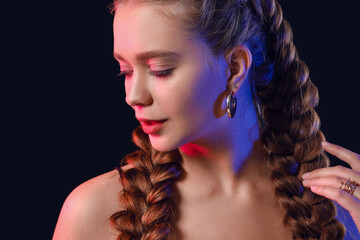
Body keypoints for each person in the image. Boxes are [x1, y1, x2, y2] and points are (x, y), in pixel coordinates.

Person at [53, 0, 360, 239]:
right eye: (126, 71)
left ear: (235, 68)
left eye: (160, 70)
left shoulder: (337, 209)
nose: (134, 96)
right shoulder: (93, 212)